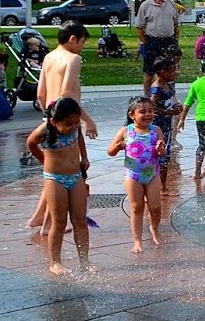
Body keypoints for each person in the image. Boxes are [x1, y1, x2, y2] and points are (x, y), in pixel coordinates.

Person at [27, 23, 97, 235]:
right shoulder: (73, 59)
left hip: (51, 118)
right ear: (74, 38)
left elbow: (40, 93)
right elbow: (66, 92)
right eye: (83, 42)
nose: (83, 48)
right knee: (68, 169)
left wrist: (49, 117)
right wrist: (86, 120)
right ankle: (48, 225)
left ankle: (40, 218)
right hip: (66, 117)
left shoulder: (48, 57)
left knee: (54, 172)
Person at [26, 97, 92, 275]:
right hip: (55, 179)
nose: (73, 126)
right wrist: (44, 160)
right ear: (54, 121)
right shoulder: (44, 131)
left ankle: (84, 261)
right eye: (69, 124)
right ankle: (55, 261)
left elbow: (79, 137)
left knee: (80, 221)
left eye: (76, 122)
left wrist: (84, 157)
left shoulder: (74, 125)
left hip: (75, 176)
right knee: (59, 222)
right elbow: (30, 143)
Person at [107, 97, 166, 254]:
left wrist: (161, 149)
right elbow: (110, 151)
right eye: (142, 112)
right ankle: (137, 240)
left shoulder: (156, 130)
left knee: (155, 207)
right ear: (132, 115)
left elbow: (163, 153)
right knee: (136, 207)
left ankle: (154, 228)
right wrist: (118, 147)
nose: (148, 114)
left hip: (153, 173)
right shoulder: (126, 131)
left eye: (151, 111)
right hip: (133, 175)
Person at [136, 0, 181, 98]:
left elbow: (176, 24)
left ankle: (169, 93)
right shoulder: (145, 6)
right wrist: (143, 42)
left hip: (169, 40)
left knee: (169, 68)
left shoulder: (171, 3)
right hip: (152, 40)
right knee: (149, 70)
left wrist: (175, 41)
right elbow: (139, 27)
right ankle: (147, 96)